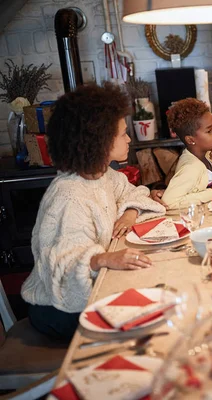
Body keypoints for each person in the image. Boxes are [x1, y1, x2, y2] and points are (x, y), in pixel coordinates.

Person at [20, 83, 165, 341]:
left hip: (86, 291)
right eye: (122, 134)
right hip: (58, 307)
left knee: (151, 287)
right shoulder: (69, 196)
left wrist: (130, 213)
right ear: (99, 141)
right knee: (145, 315)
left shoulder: (103, 174)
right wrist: (103, 259)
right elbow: (61, 261)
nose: (129, 139)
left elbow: (133, 193)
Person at [161, 98, 212, 209]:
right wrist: (210, 194)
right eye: (209, 131)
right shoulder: (191, 167)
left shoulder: (209, 157)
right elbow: (169, 202)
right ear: (190, 140)